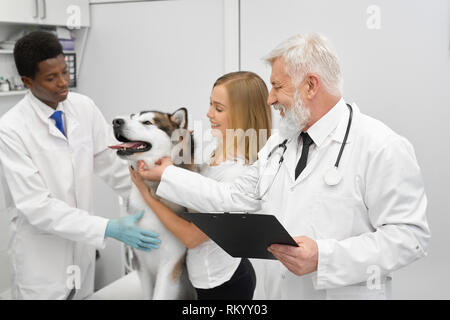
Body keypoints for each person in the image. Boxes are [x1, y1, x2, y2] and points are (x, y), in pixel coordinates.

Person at [135, 33, 430, 299]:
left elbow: (410, 237)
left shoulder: (381, 146)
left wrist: (324, 257)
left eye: (277, 86)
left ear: (311, 85)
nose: (270, 98)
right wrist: (166, 174)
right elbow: (232, 198)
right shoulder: (280, 144)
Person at [0, 31, 161, 300]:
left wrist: (154, 200)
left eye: (65, 71)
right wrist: (107, 228)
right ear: (27, 81)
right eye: (51, 78)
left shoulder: (82, 107)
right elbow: (37, 207)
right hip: (42, 260)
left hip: (81, 252)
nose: (63, 82)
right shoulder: (11, 129)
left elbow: (115, 166)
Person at [130, 71, 272, 300]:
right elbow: (195, 191)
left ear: (241, 114)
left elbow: (192, 237)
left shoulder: (237, 172)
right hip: (206, 279)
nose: (208, 114)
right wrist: (181, 150)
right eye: (210, 105)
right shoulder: (216, 154)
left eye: (218, 108)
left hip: (223, 286)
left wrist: (147, 193)